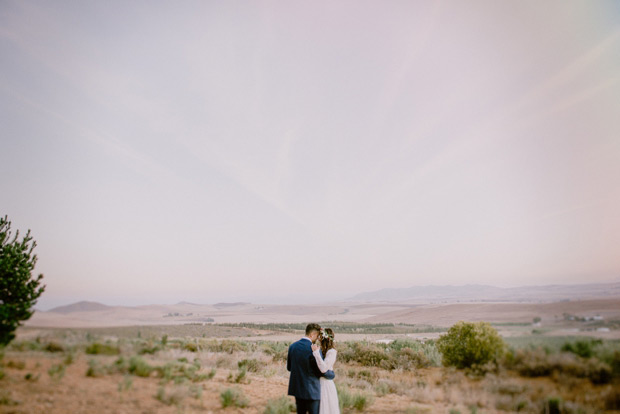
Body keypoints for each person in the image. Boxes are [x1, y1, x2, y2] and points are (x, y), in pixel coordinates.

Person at [287, 323, 336, 414]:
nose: (317, 339)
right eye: (317, 336)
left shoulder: (292, 347)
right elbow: (321, 371)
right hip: (312, 391)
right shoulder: (314, 350)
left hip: (298, 390)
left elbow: (289, 368)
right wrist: (331, 374)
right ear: (311, 335)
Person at [312, 328, 340, 414]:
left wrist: (316, 353)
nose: (318, 339)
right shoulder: (322, 350)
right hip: (319, 383)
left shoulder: (332, 352)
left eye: (320, 337)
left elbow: (323, 368)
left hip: (326, 384)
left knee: (326, 407)